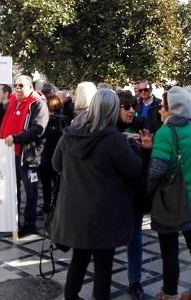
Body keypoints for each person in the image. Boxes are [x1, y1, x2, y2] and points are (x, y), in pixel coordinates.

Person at [51, 89, 143, 300]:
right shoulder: (113, 139)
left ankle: (71, 296)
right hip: (104, 214)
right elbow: (134, 169)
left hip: (75, 211)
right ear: (112, 111)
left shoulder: (71, 134)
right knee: (104, 264)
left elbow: (56, 165)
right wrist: (136, 148)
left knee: (79, 257)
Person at [149, 87, 191, 300]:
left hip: (170, 204)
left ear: (172, 109)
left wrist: (150, 189)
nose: (159, 111)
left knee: (170, 253)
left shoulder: (165, 133)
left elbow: (157, 171)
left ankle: (170, 294)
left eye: (162, 106)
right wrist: (190, 176)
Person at [0, 75, 49, 237]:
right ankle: (13, 222)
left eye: (21, 85)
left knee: (31, 191)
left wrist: (16, 138)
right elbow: (0, 119)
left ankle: (29, 224)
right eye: (16, 85)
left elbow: (38, 129)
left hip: (28, 155)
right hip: (12, 154)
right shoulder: (14, 101)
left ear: (31, 87)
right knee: (12, 190)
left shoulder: (38, 104)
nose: (18, 88)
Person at [116, 90, 153, 300]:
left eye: (133, 107)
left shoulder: (141, 124)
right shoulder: (109, 129)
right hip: (114, 194)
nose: (131, 111)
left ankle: (135, 282)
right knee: (107, 239)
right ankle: (102, 280)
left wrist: (147, 149)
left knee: (135, 238)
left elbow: (144, 166)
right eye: (126, 107)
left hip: (135, 192)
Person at [37, 94, 70, 216]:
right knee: (46, 183)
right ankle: (46, 205)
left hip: (56, 155)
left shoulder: (62, 119)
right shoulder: (42, 118)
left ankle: (56, 205)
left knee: (57, 182)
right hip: (45, 155)